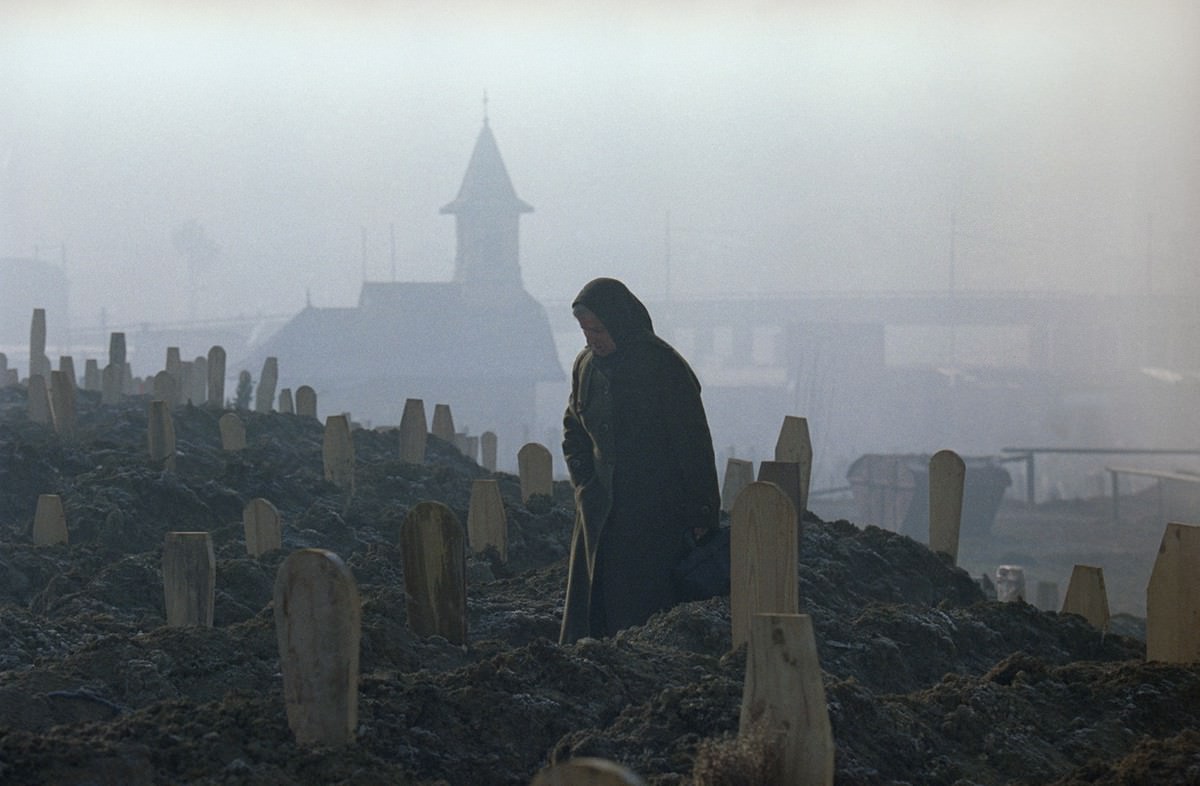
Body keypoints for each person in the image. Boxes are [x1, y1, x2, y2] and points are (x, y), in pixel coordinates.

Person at [559, 277, 720, 645]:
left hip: (653, 519)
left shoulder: (664, 367)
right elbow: (574, 430)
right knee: (590, 620)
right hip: (599, 516)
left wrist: (702, 511)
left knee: (641, 620)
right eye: (585, 331)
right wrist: (585, 484)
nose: (592, 339)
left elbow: (692, 444)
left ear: (618, 322)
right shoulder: (585, 365)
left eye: (598, 329)